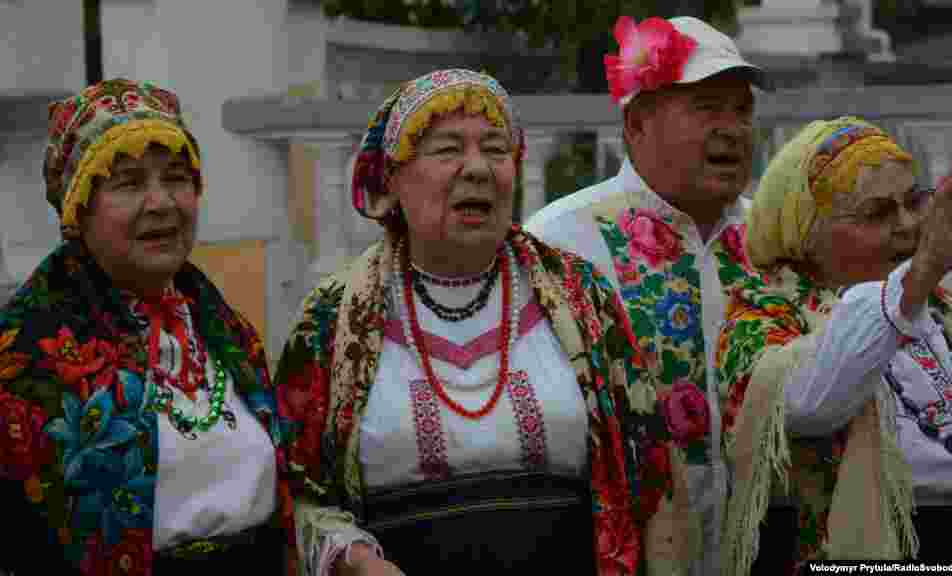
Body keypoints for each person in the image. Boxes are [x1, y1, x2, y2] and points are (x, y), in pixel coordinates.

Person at [273, 69, 668, 576]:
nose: (478, 168)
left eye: (496, 150)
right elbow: (297, 495)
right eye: (448, 149)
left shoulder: (581, 298)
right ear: (392, 180)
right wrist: (354, 558)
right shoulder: (331, 318)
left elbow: (652, 470)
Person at [0, 79, 291, 574]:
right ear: (78, 209)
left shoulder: (229, 333)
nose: (161, 203)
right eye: (129, 183)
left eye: (177, 178)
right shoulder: (26, 357)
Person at [715, 117, 952, 574]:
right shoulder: (762, 318)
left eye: (913, 202)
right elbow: (809, 405)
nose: (908, 225)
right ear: (807, 233)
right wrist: (919, 276)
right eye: (878, 213)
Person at [524, 15, 769, 575]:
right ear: (637, 123)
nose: (732, 129)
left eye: (742, 110)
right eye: (707, 108)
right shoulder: (559, 242)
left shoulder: (773, 240)